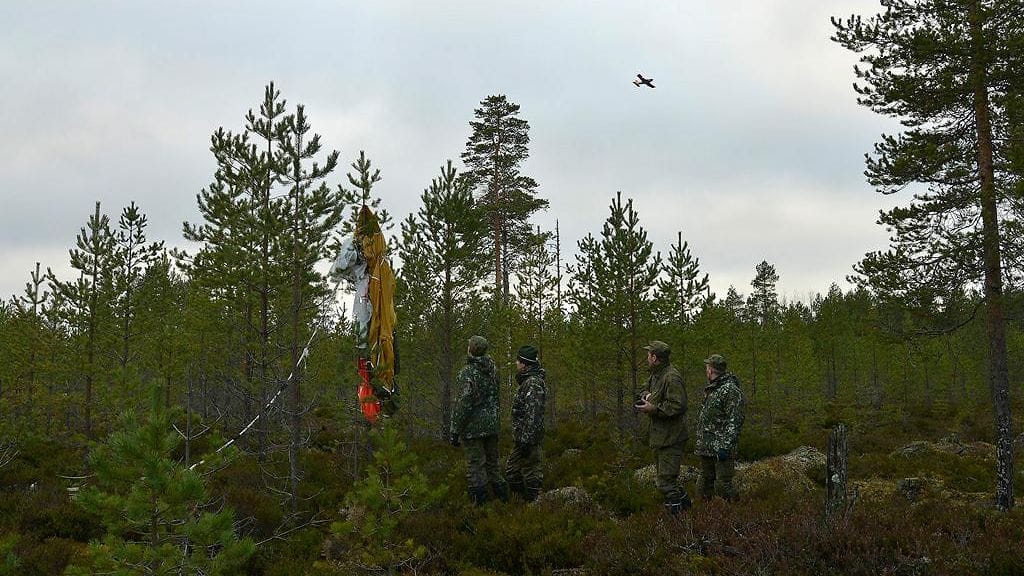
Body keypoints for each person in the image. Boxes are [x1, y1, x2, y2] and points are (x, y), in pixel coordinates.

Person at [635, 340, 692, 514]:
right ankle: (688, 511)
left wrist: (654, 409)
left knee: (666, 483)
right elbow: (644, 390)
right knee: (665, 482)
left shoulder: (671, 377)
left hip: (671, 438)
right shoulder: (656, 375)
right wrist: (649, 396)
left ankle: (678, 524)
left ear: (655, 358)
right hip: (661, 438)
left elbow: (678, 406)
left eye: (648, 355)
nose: (646, 358)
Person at [450, 335, 507, 505]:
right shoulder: (494, 370)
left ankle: (480, 505)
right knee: (493, 464)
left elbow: (463, 404)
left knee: (476, 466)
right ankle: (504, 499)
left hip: (473, 428)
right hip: (492, 425)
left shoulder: (467, 373)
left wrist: (455, 430)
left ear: (471, 350)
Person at [694, 353, 745, 501]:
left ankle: (741, 514)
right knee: (703, 486)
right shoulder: (713, 389)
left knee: (723, 486)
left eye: (707, 367)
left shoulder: (730, 390)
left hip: (722, 449)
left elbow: (735, 420)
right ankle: (706, 517)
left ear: (711, 369)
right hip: (707, 448)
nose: (706, 371)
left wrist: (726, 446)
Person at [505, 344, 547, 502]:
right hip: (523, 437)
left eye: (518, 360)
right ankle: (526, 503)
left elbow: (534, 414)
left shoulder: (533, 383)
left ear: (525, 363)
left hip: (528, 438)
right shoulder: (528, 382)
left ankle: (532, 504)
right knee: (515, 471)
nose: (516, 363)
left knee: (528, 471)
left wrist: (527, 441)